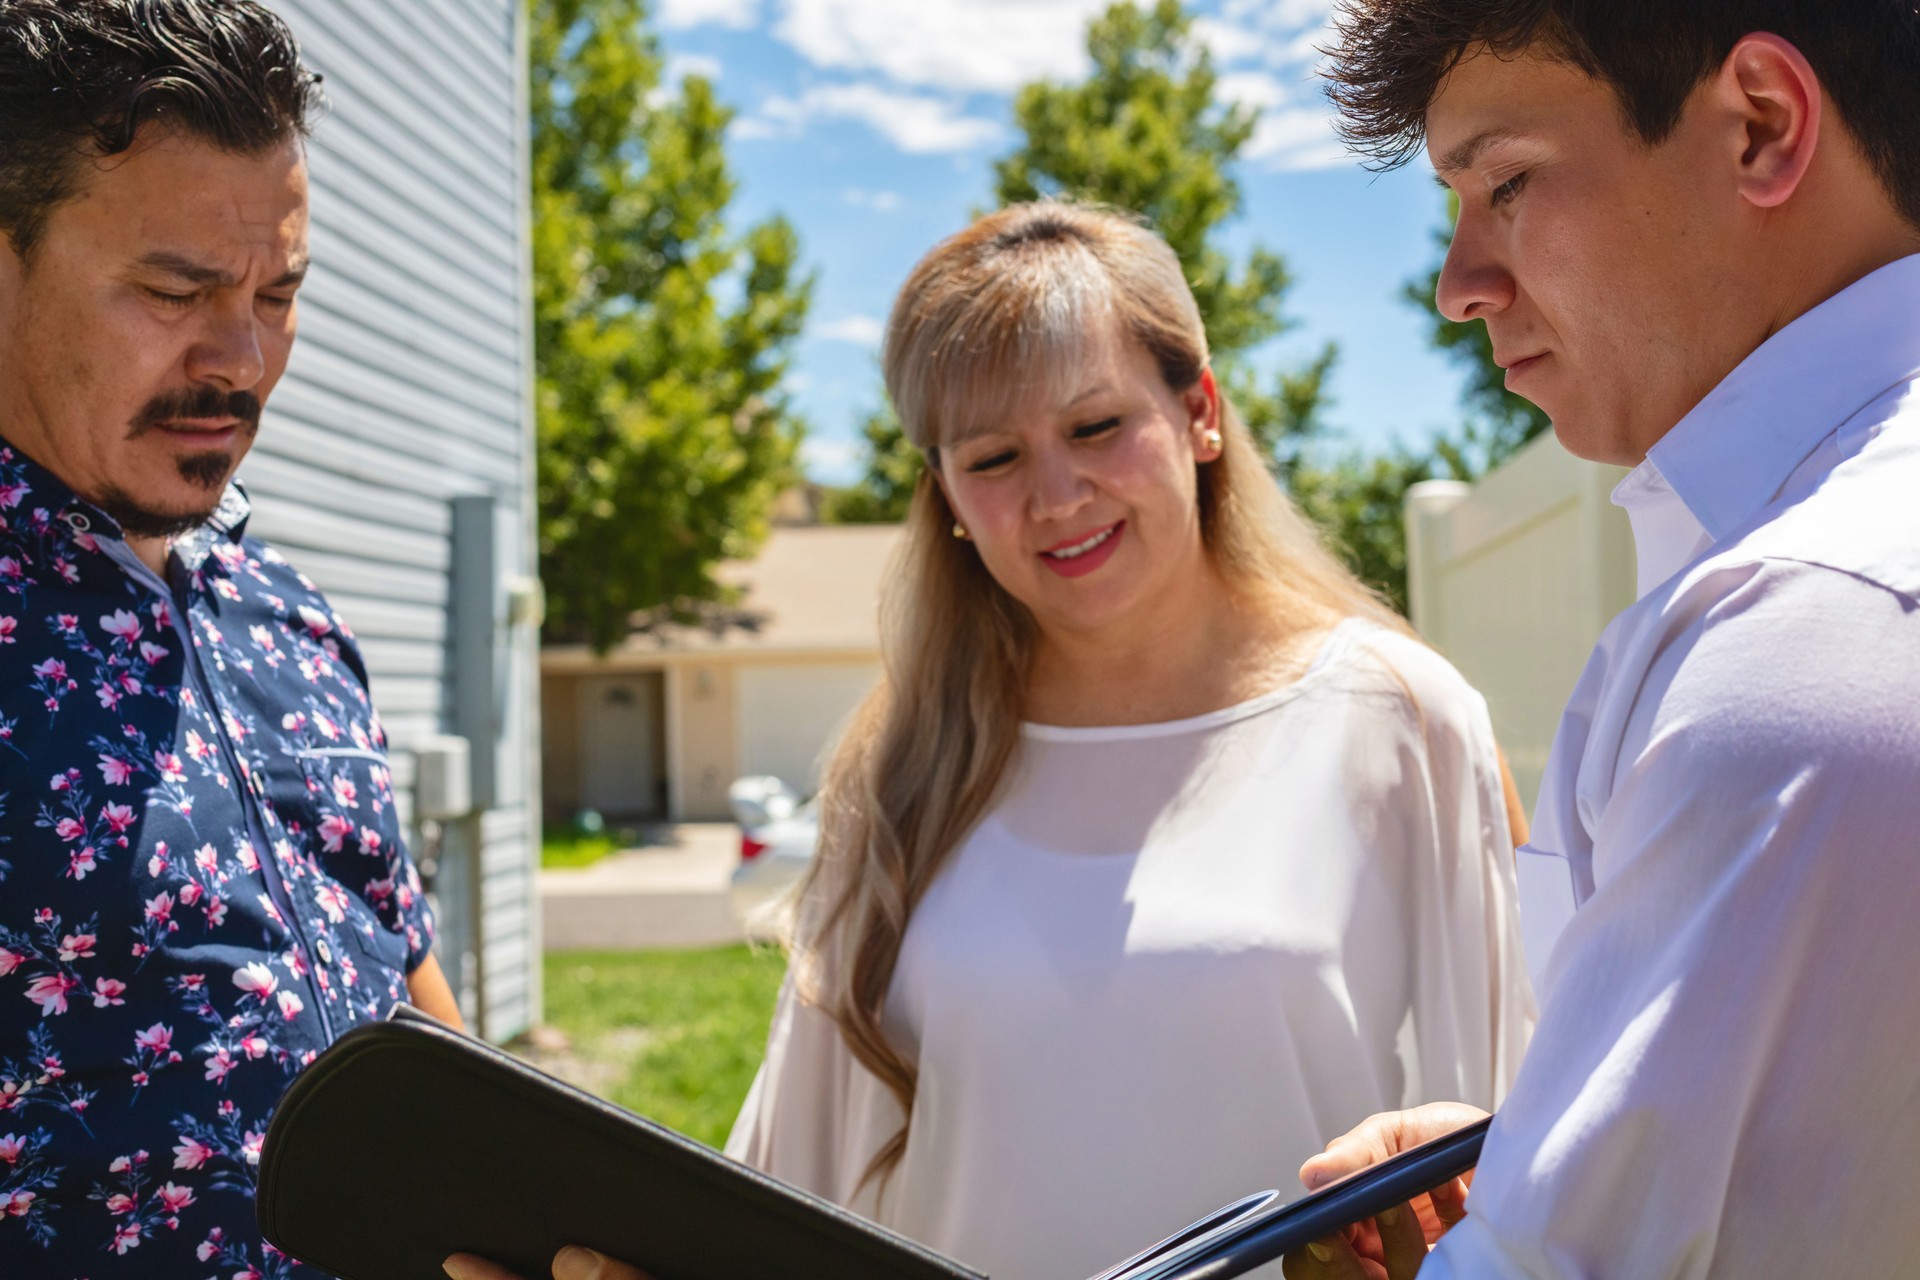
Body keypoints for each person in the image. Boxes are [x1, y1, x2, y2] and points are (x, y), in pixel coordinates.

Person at [446, 201, 1535, 1280]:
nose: (1057, 494)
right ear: (947, 496)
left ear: (1200, 411)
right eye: (994, 456)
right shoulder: (905, 767)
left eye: (1097, 426)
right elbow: (782, 1189)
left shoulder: (1403, 719)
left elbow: (1526, 1152)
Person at [1280, 4, 1920, 1278]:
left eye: (1505, 182)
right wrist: (1545, 1145)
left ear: (1761, 125)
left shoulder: (1804, 626)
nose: (1461, 283)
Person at [0, 2, 461, 1276]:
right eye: (176, 290)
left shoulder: (297, 622)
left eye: (278, 293)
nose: (243, 357)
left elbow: (406, 977)